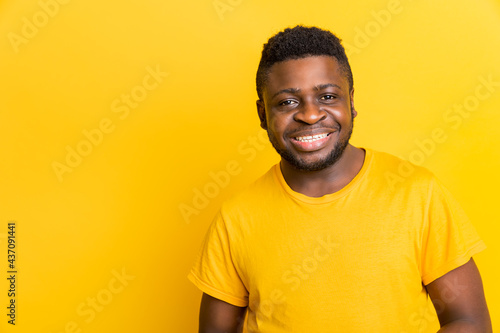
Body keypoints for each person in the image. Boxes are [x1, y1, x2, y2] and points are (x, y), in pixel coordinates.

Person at [188, 25, 492, 332]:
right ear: (263, 114)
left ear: (351, 101)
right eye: (287, 102)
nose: (310, 114)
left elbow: (469, 321)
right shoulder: (235, 219)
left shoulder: (417, 194)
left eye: (328, 96)